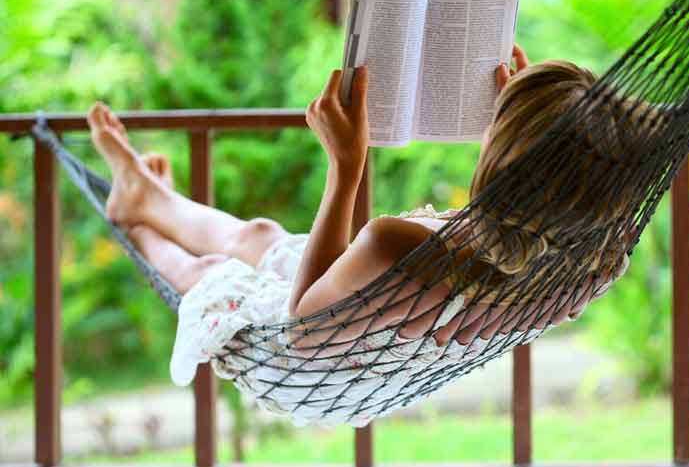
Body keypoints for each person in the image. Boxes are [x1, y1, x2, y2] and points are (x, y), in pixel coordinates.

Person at [87, 44, 629, 426]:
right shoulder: (587, 257)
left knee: (208, 274)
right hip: (373, 338)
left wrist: (345, 167)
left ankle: (135, 222)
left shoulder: (397, 244)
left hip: (310, 359)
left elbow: (301, 326)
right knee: (258, 235)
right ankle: (148, 197)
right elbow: (548, 191)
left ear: (504, 158)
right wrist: (524, 130)